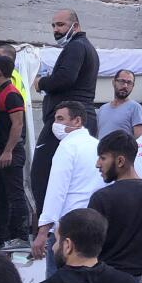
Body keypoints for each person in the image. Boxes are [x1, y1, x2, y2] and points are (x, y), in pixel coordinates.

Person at [34, 10, 99, 212]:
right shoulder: (83, 47)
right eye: (53, 26)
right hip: (78, 117)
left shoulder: (76, 47)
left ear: (76, 26)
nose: (56, 30)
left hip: (69, 119)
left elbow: (65, 78)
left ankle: (47, 227)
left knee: (41, 173)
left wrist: (41, 82)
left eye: (61, 25)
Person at [31, 100, 103, 263]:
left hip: (67, 226)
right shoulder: (98, 146)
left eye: (60, 119)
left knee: (58, 282)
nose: (55, 124)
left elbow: (57, 190)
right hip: (94, 223)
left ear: (77, 121)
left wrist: (42, 232)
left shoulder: (67, 146)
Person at [89, 131, 142, 278]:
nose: (97, 164)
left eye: (103, 158)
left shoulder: (101, 198)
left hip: (107, 281)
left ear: (120, 161)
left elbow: (90, 247)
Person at [0, 54, 30, 249]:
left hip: (10, 153)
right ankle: (0, 239)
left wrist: (8, 151)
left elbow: (17, 125)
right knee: (1, 196)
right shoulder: (2, 92)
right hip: (0, 153)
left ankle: (21, 237)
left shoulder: (11, 93)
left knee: (15, 196)